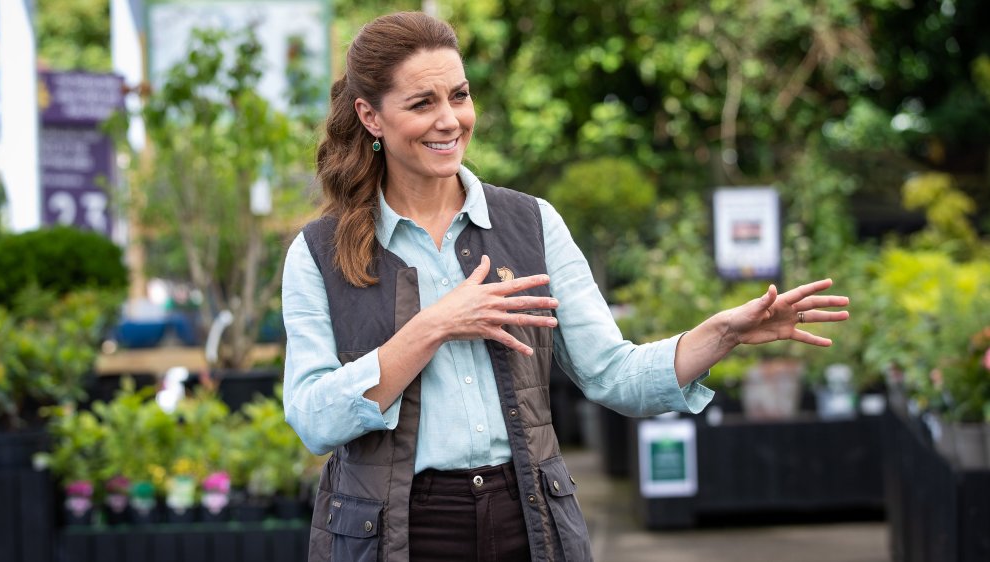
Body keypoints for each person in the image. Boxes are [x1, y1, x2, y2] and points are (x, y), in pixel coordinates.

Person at [281, 11, 850, 562]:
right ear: (371, 116)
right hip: (397, 531)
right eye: (422, 103)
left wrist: (721, 333)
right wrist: (434, 326)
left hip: (526, 518)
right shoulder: (319, 252)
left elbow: (613, 374)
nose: (450, 120)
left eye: (459, 95)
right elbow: (313, 419)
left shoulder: (531, 224)